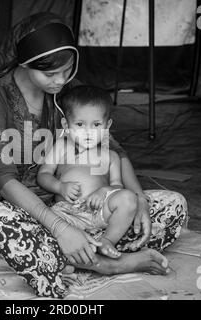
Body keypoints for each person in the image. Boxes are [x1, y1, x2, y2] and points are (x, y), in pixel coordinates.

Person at [0, 12, 188, 298]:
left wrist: (138, 199)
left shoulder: (68, 91)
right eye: (50, 74)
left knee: (174, 206)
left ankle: (71, 257)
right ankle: (108, 263)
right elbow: (2, 178)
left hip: (89, 212)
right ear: (24, 63)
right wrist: (60, 228)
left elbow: (115, 150)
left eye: (68, 70)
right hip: (28, 214)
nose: (61, 80)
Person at [37, 85, 141, 259]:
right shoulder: (62, 146)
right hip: (66, 215)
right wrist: (59, 187)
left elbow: (118, 186)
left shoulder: (112, 156)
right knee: (41, 223)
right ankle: (72, 250)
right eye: (79, 124)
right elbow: (43, 175)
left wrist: (104, 191)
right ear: (66, 124)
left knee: (129, 198)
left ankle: (107, 241)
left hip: (99, 215)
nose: (88, 132)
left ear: (107, 125)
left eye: (96, 125)